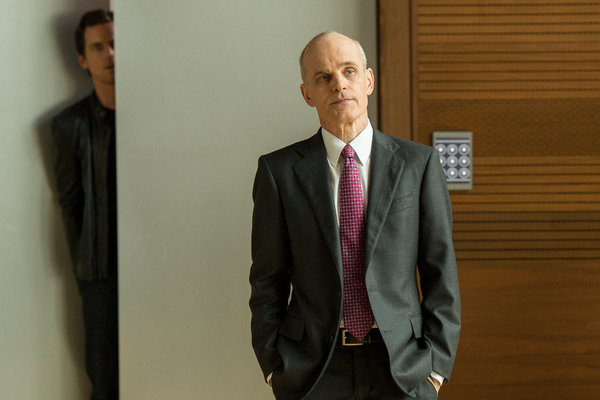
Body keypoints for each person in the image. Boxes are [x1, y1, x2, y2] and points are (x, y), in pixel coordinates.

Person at [249, 32, 460, 400]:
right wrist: (274, 368)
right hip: (313, 370)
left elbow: (440, 271)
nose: (339, 84)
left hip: (402, 367)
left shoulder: (418, 164)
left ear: (368, 81)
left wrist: (435, 370)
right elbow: (267, 279)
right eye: (323, 77)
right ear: (307, 94)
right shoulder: (278, 172)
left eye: (349, 71)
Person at [50, 9, 118, 400]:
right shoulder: (69, 125)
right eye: (98, 47)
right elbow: (69, 204)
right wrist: (85, 270)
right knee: (105, 379)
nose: (110, 54)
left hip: (154, 265)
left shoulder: (151, 116)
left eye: (115, 44)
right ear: (82, 59)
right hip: (99, 271)